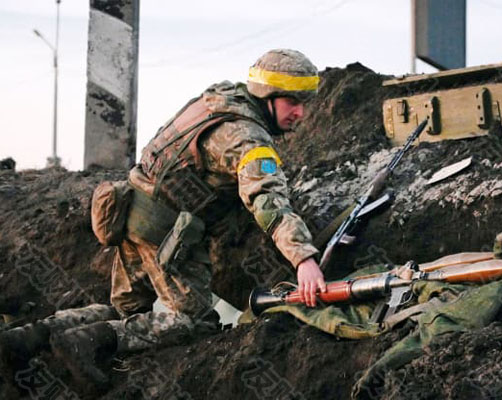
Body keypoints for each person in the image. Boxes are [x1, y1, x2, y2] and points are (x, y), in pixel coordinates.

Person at [0, 49, 326, 386]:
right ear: (267, 96)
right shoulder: (247, 139)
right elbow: (267, 200)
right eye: (291, 101)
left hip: (130, 211)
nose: (300, 112)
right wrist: (303, 259)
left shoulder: (217, 101)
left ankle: (24, 339)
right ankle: (84, 342)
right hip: (166, 234)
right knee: (192, 322)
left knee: (128, 313)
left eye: (304, 102)